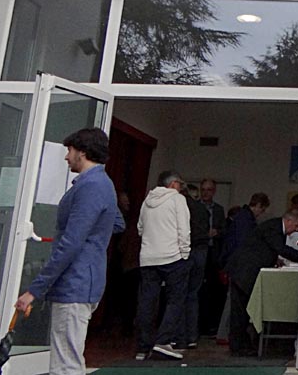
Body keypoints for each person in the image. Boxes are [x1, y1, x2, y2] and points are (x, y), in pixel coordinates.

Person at [13, 129, 125, 375]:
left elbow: (72, 242)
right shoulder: (103, 183)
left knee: (65, 365)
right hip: (86, 279)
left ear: (82, 153)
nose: (66, 157)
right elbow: (116, 222)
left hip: (75, 281)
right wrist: (95, 235)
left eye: (70, 151)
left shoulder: (90, 185)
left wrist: (34, 290)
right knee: (70, 359)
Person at [225, 210, 298, 357]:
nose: (296, 230)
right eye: (296, 226)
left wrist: (274, 259)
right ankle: (238, 347)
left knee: (242, 311)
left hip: (244, 271)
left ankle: (241, 345)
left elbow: (267, 248)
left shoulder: (273, 226)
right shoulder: (274, 228)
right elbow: (280, 248)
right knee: (240, 312)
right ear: (288, 221)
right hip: (244, 272)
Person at [135, 170, 190, 360]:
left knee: (147, 302)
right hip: (172, 257)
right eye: (179, 184)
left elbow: (140, 228)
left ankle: (143, 347)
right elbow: (184, 229)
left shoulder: (147, 201)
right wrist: (184, 253)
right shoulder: (177, 200)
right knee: (175, 300)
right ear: (173, 184)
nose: (181, 187)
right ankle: (163, 341)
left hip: (148, 258)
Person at [216, 192, 269, 345]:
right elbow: (243, 244)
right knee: (232, 302)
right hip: (237, 264)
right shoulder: (246, 220)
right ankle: (224, 333)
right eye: (262, 209)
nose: (261, 213)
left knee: (232, 300)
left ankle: (225, 333)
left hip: (232, 262)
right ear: (258, 206)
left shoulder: (242, 217)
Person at [181, 184, 210, 349]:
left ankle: (177, 336)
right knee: (193, 295)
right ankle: (191, 335)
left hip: (186, 251)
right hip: (201, 251)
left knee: (178, 294)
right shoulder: (202, 209)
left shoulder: (181, 207)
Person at [198, 178, 226, 336]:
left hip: (213, 253)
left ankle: (210, 325)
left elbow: (224, 230)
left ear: (214, 191)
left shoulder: (219, 210)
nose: (205, 193)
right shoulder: (195, 207)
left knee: (212, 290)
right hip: (198, 250)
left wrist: (217, 232)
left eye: (209, 190)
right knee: (197, 289)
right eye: (203, 189)